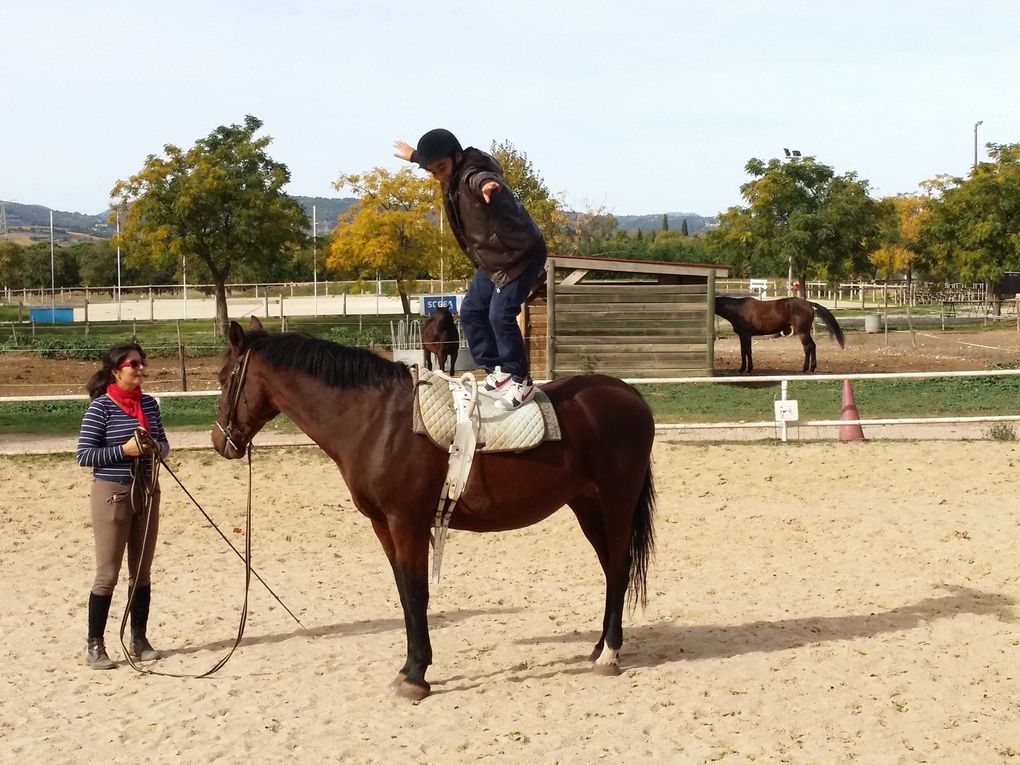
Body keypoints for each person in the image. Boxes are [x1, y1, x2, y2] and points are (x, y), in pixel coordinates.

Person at [394, 128, 547, 409]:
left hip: (521, 255)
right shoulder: (447, 169)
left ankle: (522, 381)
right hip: (492, 260)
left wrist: (488, 185)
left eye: (441, 168)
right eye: (432, 171)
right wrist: (415, 156)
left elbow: (480, 177)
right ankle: (498, 370)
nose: (439, 175)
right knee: (471, 312)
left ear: (457, 156)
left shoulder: (470, 173)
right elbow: (433, 160)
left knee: (500, 315)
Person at [76, 342, 170, 669]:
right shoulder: (100, 408)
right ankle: (95, 645)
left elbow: (165, 444)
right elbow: (84, 455)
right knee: (108, 574)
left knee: (141, 571)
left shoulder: (150, 405)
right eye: (134, 364)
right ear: (117, 371)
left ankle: (139, 639)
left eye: (143, 362)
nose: (141, 368)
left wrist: (155, 447)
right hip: (112, 494)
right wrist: (123, 450)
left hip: (146, 491)